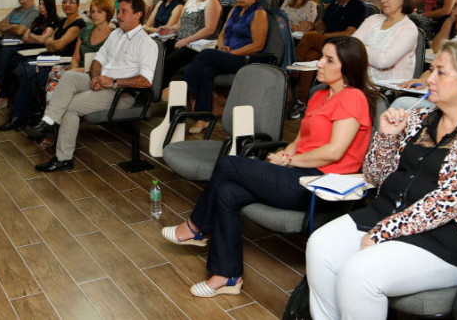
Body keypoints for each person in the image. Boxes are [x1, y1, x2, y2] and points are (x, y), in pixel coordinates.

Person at [306, 41, 457, 320]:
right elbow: (376, 177)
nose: (429, 79)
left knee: (360, 272)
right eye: (431, 70)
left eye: (440, 73)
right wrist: (386, 136)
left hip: (451, 236)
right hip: (392, 213)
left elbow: (450, 202)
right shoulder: (419, 119)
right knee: (320, 246)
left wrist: (384, 231)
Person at [161, 37, 376, 298]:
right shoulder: (320, 94)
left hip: (321, 184)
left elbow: (334, 151)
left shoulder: (353, 98)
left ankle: (196, 228)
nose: (319, 62)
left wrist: (292, 161)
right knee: (226, 193)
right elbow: (302, 140)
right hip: (297, 172)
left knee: (228, 164)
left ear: (348, 67)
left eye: (329, 60)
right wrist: (284, 154)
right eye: (321, 56)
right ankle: (227, 276)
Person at [24, 0, 158, 172]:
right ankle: (48, 121)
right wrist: (95, 78)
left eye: (125, 11)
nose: (120, 15)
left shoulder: (146, 43)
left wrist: (114, 81)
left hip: (121, 93)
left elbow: (146, 81)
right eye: (119, 11)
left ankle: (63, 159)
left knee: (71, 106)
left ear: (138, 15)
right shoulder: (116, 34)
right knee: (70, 76)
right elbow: (98, 60)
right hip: (102, 81)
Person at [184, 0, 270, 133]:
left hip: (246, 58)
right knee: (206, 70)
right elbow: (222, 33)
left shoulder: (259, 13)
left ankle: (184, 87)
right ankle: (203, 118)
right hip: (229, 54)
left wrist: (232, 52)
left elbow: (258, 45)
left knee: (207, 54)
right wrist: (223, 47)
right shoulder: (235, 10)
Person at [0, 0, 86, 127]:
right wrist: (52, 44)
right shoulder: (62, 21)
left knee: (29, 71)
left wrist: (52, 44)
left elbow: (58, 44)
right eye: (65, 1)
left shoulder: (78, 23)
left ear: (78, 5)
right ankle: (28, 113)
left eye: (72, 2)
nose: (67, 5)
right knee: (22, 67)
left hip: (63, 61)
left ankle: (19, 117)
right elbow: (49, 42)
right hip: (50, 57)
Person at [290, 0, 367, 117]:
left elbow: (350, 33)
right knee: (309, 56)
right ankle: (302, 101)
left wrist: (323, 36)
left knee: (310, 38)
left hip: (341, 46)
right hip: (325, 43)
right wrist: (313, 27)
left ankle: (293, 69)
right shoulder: (335, 4)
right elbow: (323, 22)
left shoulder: (358, 7)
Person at [0, 0, 59, 110]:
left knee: (6, 56)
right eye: (40, 4)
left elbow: (42, 40)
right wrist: (35, 37)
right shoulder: (38, 19)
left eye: (44, 4)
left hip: (36, 52)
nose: (41, 6)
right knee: (5, 55)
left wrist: (32, 36)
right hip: (25, 47)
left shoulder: (53, 21)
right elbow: (24, 37)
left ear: (50, 5)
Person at [158, 0, 222, 90]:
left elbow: (209, 30)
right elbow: (180, 25)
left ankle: (160, 94)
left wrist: (186, 41)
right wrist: (169, 29)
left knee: (168, 62)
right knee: (158, 54)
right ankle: (150, 90)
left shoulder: (212, 2)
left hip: (198, 45)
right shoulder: (190, 1)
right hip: (182, 40)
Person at [353, 0, 418, 81]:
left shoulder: (409, 29)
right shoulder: (373, 19)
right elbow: (350, 46)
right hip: (358, 80)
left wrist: (360, 47)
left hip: (387, 89)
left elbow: (383, 62)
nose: (383, 0)